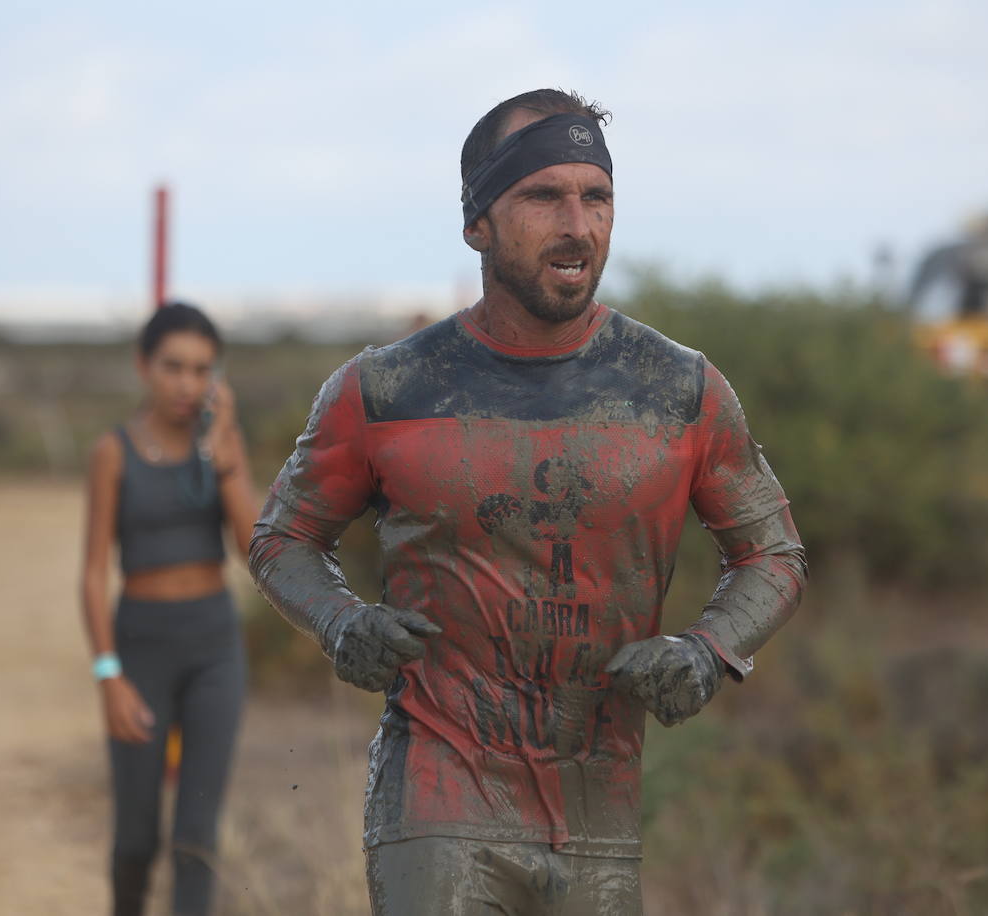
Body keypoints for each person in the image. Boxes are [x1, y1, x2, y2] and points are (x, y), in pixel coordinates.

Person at [249, 89, 807, 915]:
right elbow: (282, 537)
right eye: (545, 196)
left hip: (598, 815)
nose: (577, 224)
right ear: (478, 223)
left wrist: (707, 650)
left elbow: (774, 553)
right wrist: (341, 622)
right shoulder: (386, 390)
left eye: (597, 196)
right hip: (436, 797)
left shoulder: (680, 389)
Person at [80, 302, 257, 916]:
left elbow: (252, 546)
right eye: (174, 367)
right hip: (141, 647)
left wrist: (225, 451)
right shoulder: (113, 451)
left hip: (214, 647)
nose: (188, 384)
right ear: (144, 366)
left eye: (202, 369)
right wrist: (109, 675)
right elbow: (92, 572)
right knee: (136, 838)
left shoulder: (220, 445)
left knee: (196, 838)